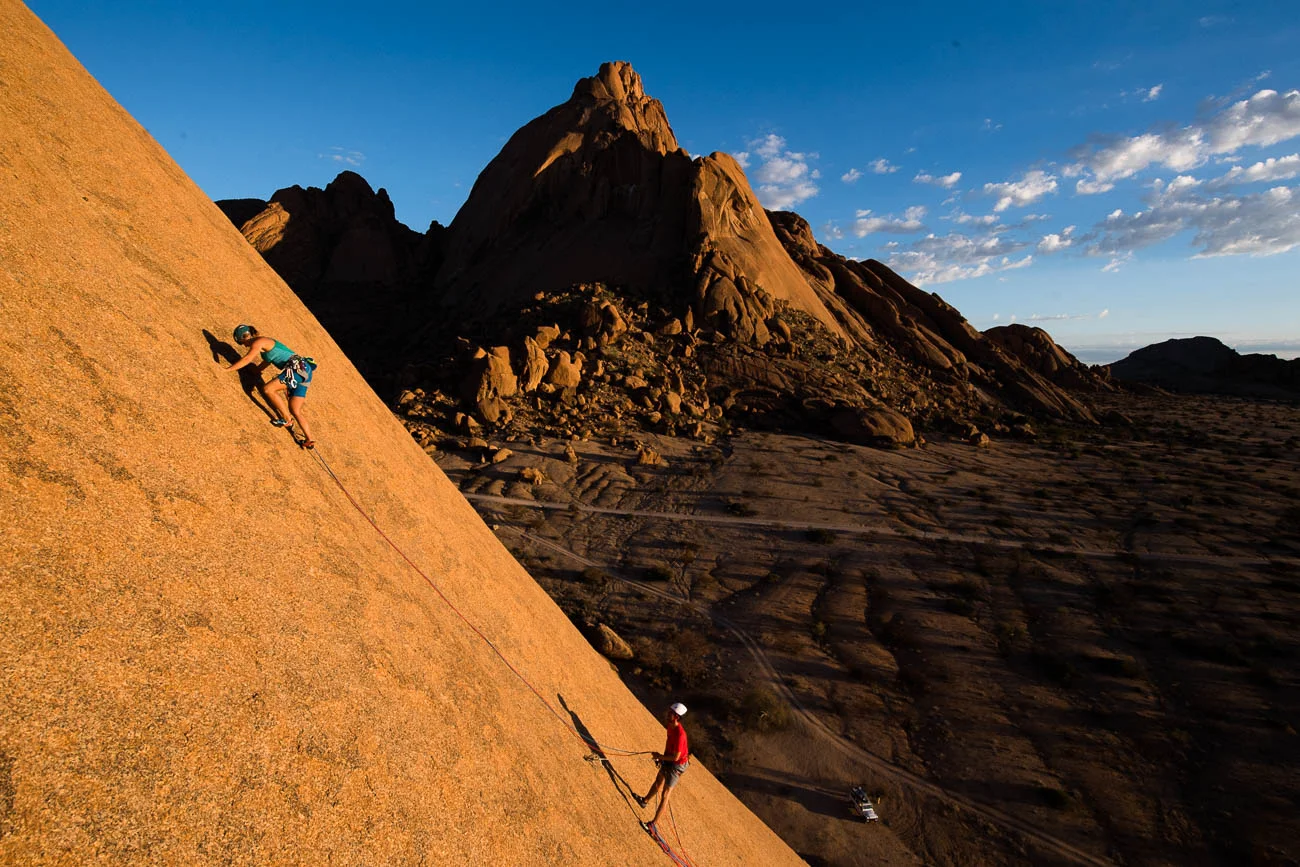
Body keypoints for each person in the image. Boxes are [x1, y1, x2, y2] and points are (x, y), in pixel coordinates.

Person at [226, 323, 318, 448]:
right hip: (304, 370)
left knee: (268, 389)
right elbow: (267, 362)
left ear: (243, 337)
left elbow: (248, 358)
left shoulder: (257, 342)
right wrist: (256, 370)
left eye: (242, 343)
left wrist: (228, 370)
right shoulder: (265, 342)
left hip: (296, 368)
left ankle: (287, 419)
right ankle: (309, 439)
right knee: (295, 410)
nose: (245, 345)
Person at [636, 702, 690, 832]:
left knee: (665, 794)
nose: (668, 713)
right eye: (669, 711)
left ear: (677, 717)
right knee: (658, 779)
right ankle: (645, 800)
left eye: (671, 713)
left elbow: (676, 757)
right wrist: (663, 758)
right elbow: (668, 743)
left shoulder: (680, 735)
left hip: (678, 765)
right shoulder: (670, 726)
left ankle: (653, 825)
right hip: (669, 758)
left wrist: (660, 757)